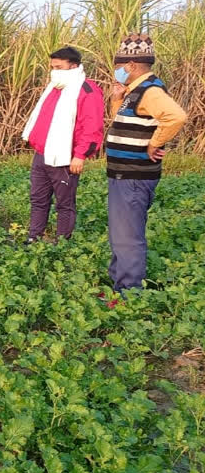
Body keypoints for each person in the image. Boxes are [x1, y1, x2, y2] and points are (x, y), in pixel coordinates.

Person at [105, 34, 187, 292]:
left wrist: (154, 143)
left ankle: (128, 293)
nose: (116, 71)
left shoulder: (150, 90)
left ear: (130, 65)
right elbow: (120, 120)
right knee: (120, 234)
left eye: (119, 66)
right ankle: (117, 281)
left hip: (132, 177)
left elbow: (176, 116)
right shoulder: (134, 90)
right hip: (123, 175)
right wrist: (117, 97)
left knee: (127, 237)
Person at [22, 46, 104, 243]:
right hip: (42, 153)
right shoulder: (55, 86)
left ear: (73, 66)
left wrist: (80, 155)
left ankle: (62, 243)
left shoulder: (87, 90)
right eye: (52, 67)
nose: (54, 71)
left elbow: (92, 126)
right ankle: (34, 237)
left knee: (64, 203)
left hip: (65, 156)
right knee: (38, 199)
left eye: (59, 67)